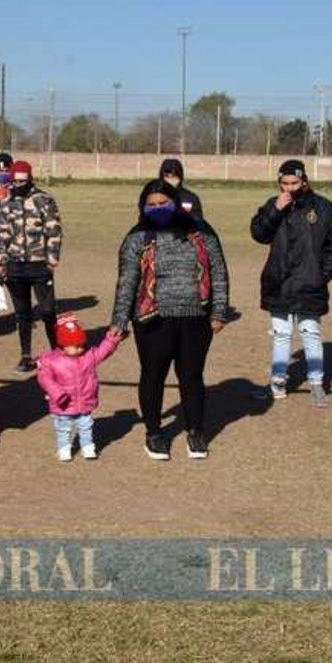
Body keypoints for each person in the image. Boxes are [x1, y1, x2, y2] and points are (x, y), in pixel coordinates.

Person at [110, 179, 230, 461]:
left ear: (176, 202)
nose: (157, 209)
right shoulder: (137, 237)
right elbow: (127, 281)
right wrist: (119, 320)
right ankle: (153, 433)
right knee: (153, 376)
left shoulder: (200, 231)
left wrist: (219, 311)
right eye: (150, 205)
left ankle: (195, 432)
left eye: (163, 203)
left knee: (192, 377)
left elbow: (219, 272)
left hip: (195, 317)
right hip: (153, 319)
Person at [250, 159, 332, 407]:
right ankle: (277, 384)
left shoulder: (324, 209)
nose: (290, 188)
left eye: (294, 183)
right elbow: (259, 234)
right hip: (279, 282)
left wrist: (321, 274)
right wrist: (275, 209)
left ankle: (316, 383)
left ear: (304, 181)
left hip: (309, 285)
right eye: (285, 183)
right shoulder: (273, 205)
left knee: (310, 332)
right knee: (281, 334)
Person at [0, 160, 63, 371]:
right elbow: (3, 234)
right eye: (15, 181)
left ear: (30, 179)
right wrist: (1, 262)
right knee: (22, 314)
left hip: (40, 264)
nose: (19, 184)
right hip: (15, 266)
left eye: (23, 180)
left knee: (48, 311)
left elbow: (54, 231)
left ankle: (57, 353)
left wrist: (51, 261)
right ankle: (26, 356)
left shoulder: (44, 200)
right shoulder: (6, 203)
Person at [35, 314, 122, 461]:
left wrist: (111, 340)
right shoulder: (51, 360)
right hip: (63, 404)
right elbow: (44, 378)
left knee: (86, 426)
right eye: (75, 346)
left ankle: (87, 447)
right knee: (63, 428)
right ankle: (64, 448)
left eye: (81, 344)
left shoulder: (88, 355)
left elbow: (102, 352)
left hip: (84, 402)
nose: (80, 348)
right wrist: (57, 393)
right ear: (62, 344)